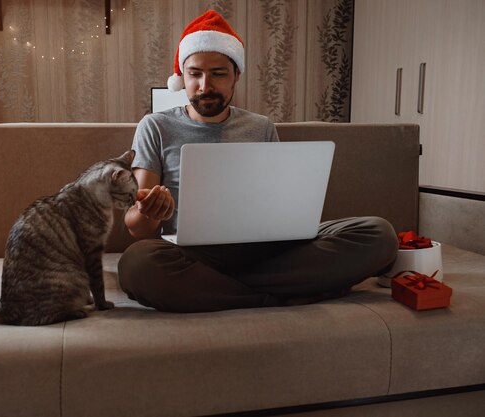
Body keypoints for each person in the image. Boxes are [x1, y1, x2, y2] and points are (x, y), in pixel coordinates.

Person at [118, 10, 398, 313]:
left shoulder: (261, 126)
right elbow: (138, 229)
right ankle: (281, 295)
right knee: (137, 264)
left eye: (218, 73)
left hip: (265, 251)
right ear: (182, 77)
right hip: (195, 254)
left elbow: (280, 205)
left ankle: (221, 291)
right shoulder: (155, 127)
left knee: (378, 234)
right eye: (195, 74)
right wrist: (151, 211)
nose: (205, 85)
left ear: (236, 74)